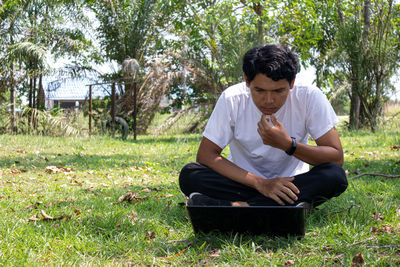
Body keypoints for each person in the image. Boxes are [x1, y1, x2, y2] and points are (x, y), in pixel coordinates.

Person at [179, 44, 347, 209]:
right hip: (244, 182)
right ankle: (278, 208)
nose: (268, 100)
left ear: (292, 83)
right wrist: (261, 183)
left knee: (334, 176)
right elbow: (206, 155)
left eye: (278, 91)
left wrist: (288, 145)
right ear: (247, 81)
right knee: (190, 174)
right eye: (259, 90)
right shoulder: (232, 98)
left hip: (292, 185)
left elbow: (336, 157)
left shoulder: (309, 96)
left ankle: (238, 207)